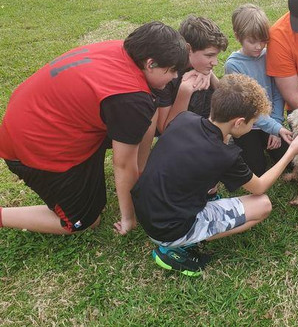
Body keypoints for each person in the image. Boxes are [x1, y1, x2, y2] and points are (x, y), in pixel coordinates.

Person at [0, 21, 188, 235]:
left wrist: (140, 168)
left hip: (38, 118)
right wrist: (129, 217)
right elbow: (123, 165)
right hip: (34, 147)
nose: (175, 77)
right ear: (151, 63)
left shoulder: (124, 49)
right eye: (171, 70)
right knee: (85, 220)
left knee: (139, 121)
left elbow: (140, 123)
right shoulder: (131, 98)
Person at [132, 74, 298, 276]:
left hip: (146, 212)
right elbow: (260, 186)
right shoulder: (224, 155)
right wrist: (291, 152)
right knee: (263, 205)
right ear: (239, 122)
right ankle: (176, 248)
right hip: (169, 230)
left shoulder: (184, 118)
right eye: (252, 122)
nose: (253, 127)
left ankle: (187, 229)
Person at [225, 4, 292, 176]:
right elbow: (250, 107)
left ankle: (266, 142)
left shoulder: (268, 55)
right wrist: (275, 129)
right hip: (248, 124)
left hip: (271, 120)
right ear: (238, 36)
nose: (258, 46)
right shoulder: (233, 65)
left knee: (290, 161)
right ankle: (235, 144)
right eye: (252, 41)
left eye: (263, 40)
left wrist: (276, 125)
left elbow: (278, 93)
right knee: (257, 170)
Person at [156, 15, 228, 133]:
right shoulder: (166, 75)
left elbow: (226, 100)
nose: (215, 62)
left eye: (216, 55)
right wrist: (185, 91)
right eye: (209, 55)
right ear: (188, 49)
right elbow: (166, 129)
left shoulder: (200, 66)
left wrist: (210, 75)